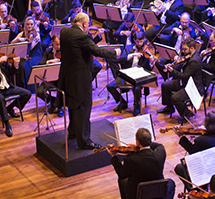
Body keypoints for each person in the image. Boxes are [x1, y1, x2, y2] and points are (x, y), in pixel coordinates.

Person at [58, 12, 120, 149]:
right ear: (85, 24)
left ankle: (73, 132)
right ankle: (84, 141)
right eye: (88, 25)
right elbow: (98, 51)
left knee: (74, 106)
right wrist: (115, 53)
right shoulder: (82, 36)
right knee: (84, 108)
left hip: (67, 76)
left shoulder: (64, 32)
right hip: (80, 79)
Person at [0, 41, 32, 137]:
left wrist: (15, 66)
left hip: (7, 87)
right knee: (0, 99)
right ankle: (7, 124)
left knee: (27, 94)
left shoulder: (1, 59)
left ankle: (10, 108)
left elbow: (10, 73)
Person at [173, 111, 215, 190]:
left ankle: (197, 191)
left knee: (179, 168)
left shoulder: (202, 141)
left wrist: (181, 136)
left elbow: (192, 150)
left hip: (209, 170)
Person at [107, 128, 167, 199]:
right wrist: (145, 142)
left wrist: (114, 156)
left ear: (137, 142)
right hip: (157, 192)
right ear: (150, 140)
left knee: (122, 180)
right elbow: (159, 145)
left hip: (138, 195)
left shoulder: (130, 159)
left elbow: (121, 174)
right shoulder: (160, 152)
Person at [107, 31, 156, 116]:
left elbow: (148, 69)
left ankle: (137, 105)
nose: (139, 43)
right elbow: (121, 59)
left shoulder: (147, 51)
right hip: (127, 75)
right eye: (137, 41)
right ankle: (123, 103)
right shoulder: (129, 48)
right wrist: (132, 55)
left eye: (141, 41)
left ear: (144, 40)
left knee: (136, 89)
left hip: (139, 77)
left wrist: (151, 63)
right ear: (134, 40)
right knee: (110, 86)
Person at [159, 37, 205, 122]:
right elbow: (180, 65)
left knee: (175, 97)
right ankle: (169, 107)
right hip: (185, 82)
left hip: (192, 87)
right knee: (165, 85)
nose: (183, 51)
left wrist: (172, 71)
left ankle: (187, 115)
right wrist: (172, 66)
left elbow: (184, 76)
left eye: (185, 49)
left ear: (192, 48)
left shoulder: (194, 60)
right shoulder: (188, 55)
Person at [11, 17, 43, 88]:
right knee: (16, 63)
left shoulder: (37, 35)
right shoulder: (22, 33)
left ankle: (27, 88)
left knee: (24, 66)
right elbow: (12, 42)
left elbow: (30, 48)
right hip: (25, 56)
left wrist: (31, 40)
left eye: (31, 24)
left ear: (34, 25)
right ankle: (18, 86)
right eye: (28, 24)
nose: (30, 26)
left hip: (35, 56)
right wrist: (18, 39)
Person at [36, 35, 63, 117]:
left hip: (61, 77)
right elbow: (40, 63)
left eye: (60, 44)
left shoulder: (64, 51)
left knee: (61, 88)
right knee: (39, 92)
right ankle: (53, 101)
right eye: (56, 44)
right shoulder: (48, 51)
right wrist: (49, 61)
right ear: (52, 43)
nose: (58, 47)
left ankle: (59, 107)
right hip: (50, 78)